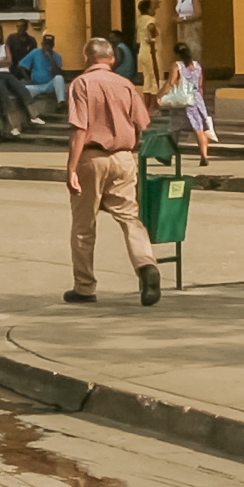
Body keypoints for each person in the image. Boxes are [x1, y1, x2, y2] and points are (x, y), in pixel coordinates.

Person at [62, 37, 161, 307]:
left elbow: (80, 128)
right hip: (123, 156)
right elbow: (141, 123)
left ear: (87, 58)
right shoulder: (126, 84)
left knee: (84, 225)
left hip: (92, 157)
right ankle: (146, 265)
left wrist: (71, 168)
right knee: (130, 218)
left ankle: (84, 287)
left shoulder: (81, 83)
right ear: (112, 59)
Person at [164, 43, 215, 163]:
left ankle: (168, 156)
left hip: (182, 100)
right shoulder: (197, 66)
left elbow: (171, 82)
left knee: (174, 129)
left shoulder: (176, 65)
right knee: (200, 129)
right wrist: (200, 100)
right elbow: (200, 85)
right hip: (196, 99)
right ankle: (204, 155)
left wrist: (164, 93)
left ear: (176, 54)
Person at [136, 0, 165, 88]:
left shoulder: (140, 19)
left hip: (142, 51)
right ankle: (155, 102)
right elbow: (150, 27)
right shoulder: (150, 19)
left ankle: (147, 102)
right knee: (156, 80)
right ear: (148, 9)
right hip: (151, 52)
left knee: (147, 81)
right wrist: (151, 37)